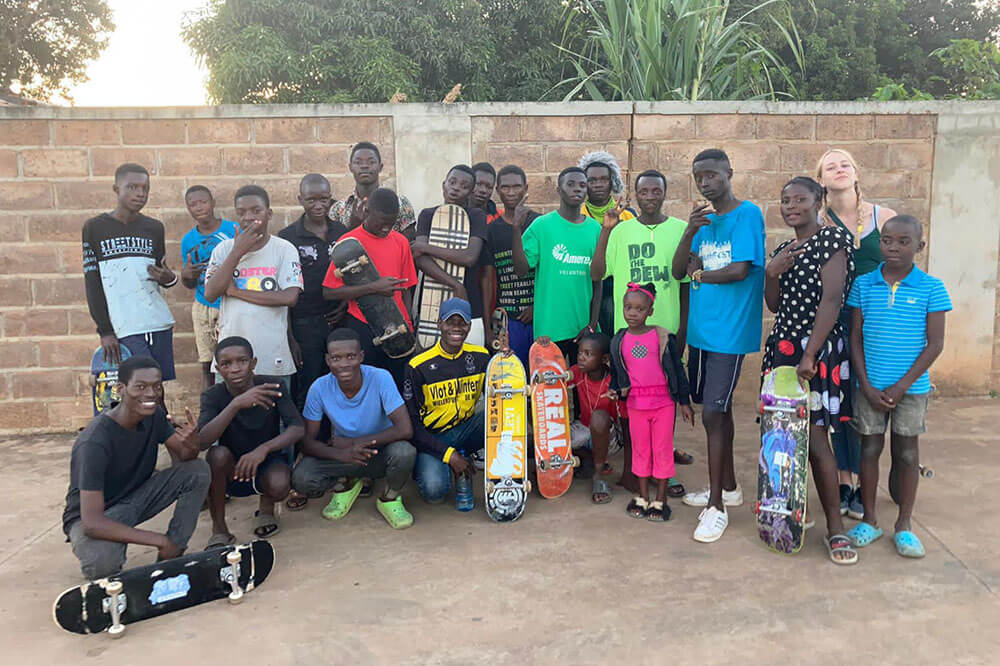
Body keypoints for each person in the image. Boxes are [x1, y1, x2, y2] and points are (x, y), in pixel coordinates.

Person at [761, 177, 858, 565]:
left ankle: (836, 528)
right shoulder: (785, 248)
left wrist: (810, 354)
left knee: (816, 438)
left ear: (819, 201)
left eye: (800, 199)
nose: (791, 206)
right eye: (785, 200)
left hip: (812, 352)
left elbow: (832, 300)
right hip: (782, 349)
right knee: (785, 440)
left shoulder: (832, 241)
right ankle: (787, 515)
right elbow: (774, 305)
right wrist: (771, 271)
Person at [670, 148, 765, 543]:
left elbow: (740, 270)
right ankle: (727, 487)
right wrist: (690, 231)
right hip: (702, 332)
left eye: (711, 174)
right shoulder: (703, 223)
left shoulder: (748, 215)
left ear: (729, 171)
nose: (705, 182)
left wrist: (702, 275)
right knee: (717, 412)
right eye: (698, 177)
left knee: (712, 412)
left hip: (730, 332)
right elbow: (679, 271)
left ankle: (717, 508)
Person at [845, 215, 951, 559]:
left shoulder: (932, 288)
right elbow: (855, 337)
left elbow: (935, 344)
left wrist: (903, 385)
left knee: (906, 453)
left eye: (903, 241)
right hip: (870, 388)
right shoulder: (864, 284)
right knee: (869, 450)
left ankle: (904, 525)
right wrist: (865, 383)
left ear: (918, 247)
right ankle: (871, 520)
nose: (892, 247)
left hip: (911, 390)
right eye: (887, 240)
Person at [62, 356, 208, 579]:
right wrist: (159, 540)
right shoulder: (94, 441)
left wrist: (192, 442)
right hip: (94, 517)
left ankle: (174, 551)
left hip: (136, 497)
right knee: (102, 564)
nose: (150, 394)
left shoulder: (154, 416)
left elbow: (186, 457)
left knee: (198, 470)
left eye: (156, 386)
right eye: (140, 386)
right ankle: (166, 545)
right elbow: (92, 523)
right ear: (121, 389)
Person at [591, 168, 696, 476]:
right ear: (636, 195)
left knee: (667, 393)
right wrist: (607, 230)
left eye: (656, 191)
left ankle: (663, 453)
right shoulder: (621, 231)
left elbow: (686, 284)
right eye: (644, 192)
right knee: (633, 394)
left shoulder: (680, 229)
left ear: (665, 194)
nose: (650, 197)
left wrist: (683, 330)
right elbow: (597, 274)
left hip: (667, 330)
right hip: (632, 334)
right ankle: (636, 462)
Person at [816, 148, 899, 518]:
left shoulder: (885, 217)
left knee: (874, 401)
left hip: (879, 324)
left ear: (856, 172)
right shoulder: (819, 222)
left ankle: (871, 480)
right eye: (830, 166)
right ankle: (847, 481)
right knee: (844, 404)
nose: (839, 169)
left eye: (845, 163)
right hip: (839, 323)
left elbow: (903, 270)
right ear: (822, 179)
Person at [292, 328, 417, 529]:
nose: (344, 364)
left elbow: (404, 430)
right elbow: (306, 442)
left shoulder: (380, 378)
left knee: (405, 453)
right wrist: (342, 454)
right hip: (345, 455)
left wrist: (356, 443)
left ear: (361, 356)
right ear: (327, 360)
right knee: (302, 478)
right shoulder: (319, 387)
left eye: (351, 356)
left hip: (379, 451)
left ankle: (389, 498)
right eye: (336, 358)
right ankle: (347, 484)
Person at [198, 337, 301, 546]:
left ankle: (266, 509)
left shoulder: (273, 386)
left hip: (266, 459)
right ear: (218, 369)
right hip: (231, 466)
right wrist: (235, 405)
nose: (235, 369)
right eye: (227, 364)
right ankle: (219, 528)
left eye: (242, 361)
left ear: (253, 363)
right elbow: (202, 441)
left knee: (280, 483)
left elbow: (297, 428)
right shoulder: (213, 395)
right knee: (216, 455)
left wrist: (263, 449)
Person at [82, 163, 177, 389]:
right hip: (124, 327)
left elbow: (161, 276)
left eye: (145, 188)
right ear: (116, 189)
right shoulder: (94, 228)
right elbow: (93, 284)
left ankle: (161, 425)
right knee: (134, 388)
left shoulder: (154, 228)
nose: (140, 194)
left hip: (157, 322)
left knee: (156, 387)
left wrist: (169, 279)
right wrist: (105, 331)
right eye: (132, 187)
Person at [608, 282, 694, 522]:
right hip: (636, 404)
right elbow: (617, 373)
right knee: (641, 450)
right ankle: (642, 497)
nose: (633, 313)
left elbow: (677, 370)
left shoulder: (662, 337)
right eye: (628, 308)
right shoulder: (619, 341)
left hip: (664, 403)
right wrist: (615, 390)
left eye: (639, 309)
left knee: (662, 450)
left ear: (650, 311)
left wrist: (684, 402)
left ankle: (661, 499)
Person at [204, 185, 303, 391]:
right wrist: (237, 252)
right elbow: (211, 293)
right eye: (241, 212)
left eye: (256, 211)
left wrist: (236, 292)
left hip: (272, 356)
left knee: (276, 421)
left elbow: (289, 297)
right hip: (231, 361)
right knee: (232, 419)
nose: (248, 217)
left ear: (269, 214)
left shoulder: (284, 249)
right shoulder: (223, 250)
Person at [322, 187, 418, 383]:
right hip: (363, 325)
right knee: (367, 385)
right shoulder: (349, 244)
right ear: (367, 212)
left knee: (398, 384)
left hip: (397, 327)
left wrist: (408, 324)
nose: (385, 229)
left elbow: (406, 289)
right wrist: (373, 288)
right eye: (381, 223)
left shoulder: (400, 242)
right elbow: (328, 292)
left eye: (391, 224)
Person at [511, 166, 601, 365]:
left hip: (583, 329)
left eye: (582, 185)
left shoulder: (595, 229)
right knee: (549, 391)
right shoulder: (542, 226)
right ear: (559, 190)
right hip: (549, 330)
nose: (577, 189)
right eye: (570, 184)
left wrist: (592, 324)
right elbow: (520, 270)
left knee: (583, 392)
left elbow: (598, 283)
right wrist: (516, 228)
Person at [404, 298, 490, 505]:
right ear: (439, 324)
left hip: (466, 428)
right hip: (432, 436)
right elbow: (412, 424)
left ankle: (468, 457)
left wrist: (506, 360)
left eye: (462, 323)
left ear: (469, 326)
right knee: (434, 492)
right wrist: (448, 454)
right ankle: (439, 461)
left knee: (503, 413)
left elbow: (501, 390)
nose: (456, 328)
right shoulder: (418, 365)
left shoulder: (481, 357)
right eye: (451, 322)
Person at [278, 174, 348, 413]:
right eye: (311, 199)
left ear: (331, 199)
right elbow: (284, 290)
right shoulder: (287, 238)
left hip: (339, 321)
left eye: (324, 199)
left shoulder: (343, 233)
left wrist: (346, 302)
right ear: (300, 199)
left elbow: (355, 273)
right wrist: (290, 336)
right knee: (308, 385)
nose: (318, 205)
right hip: (304, 324)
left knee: (341, 383)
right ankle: (308, 444)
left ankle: (336, 438)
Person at [411, 165, 490, 346]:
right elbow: (419, 257)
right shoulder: (427, 215)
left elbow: (470, 257)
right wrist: (455, 285)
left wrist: (427, 246)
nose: (455, 188)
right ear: (443, 185)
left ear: (470, 192)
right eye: (452, 182)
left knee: (470, 363)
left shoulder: (476, 216)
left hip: (470, 302)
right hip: (431, 306)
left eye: (463, 185)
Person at [181, 185, 240, 389]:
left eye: (203, 202)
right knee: (207, 365)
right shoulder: (188, 240)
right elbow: (189, 282)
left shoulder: (232, 230)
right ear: (188, 208)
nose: (199, 207)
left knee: (235, 359)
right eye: (193, 204)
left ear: (213, 203)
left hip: (230, 302)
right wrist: (186, 276)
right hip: (203, 306)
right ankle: (209, 411)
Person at [480, 165, 539, 364]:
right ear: (497, 191)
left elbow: (547, 273)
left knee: (539, 377)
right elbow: (488, 280)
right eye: (505, 187)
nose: (511, 192)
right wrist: (488, 326)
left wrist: (536, 306)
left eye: (517, 187)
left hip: (539, 316)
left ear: (526, 188)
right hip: (506, 320)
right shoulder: (492, 230)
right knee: (511, 376)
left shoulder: (540, 223)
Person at [579, 151, 636, 337]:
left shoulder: (628, 215)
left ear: (612, 181)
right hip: (584, 290)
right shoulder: (576, 215)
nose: (598, 184)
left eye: (604, 179)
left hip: (618, 290)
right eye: (592, 180)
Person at [568, 332, 626, 504]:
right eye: (579, 352)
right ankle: (586, 457)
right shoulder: (578, 372)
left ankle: (599, 476)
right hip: (584, 430)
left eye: (588, 354)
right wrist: (545, 348)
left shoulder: (613, 380)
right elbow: (555, 379)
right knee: (552, 440)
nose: (581, 358)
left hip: (610, 436)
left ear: (604, 358)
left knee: (599, 416)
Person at [329, 141, 417, 239]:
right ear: (350, 167)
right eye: (358, 162)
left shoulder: (400, 203)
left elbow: (409, 243)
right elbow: (336, 247)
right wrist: (354, 227)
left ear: (380, 167)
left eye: (371, 162)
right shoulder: (338, 209)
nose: (364, 166)